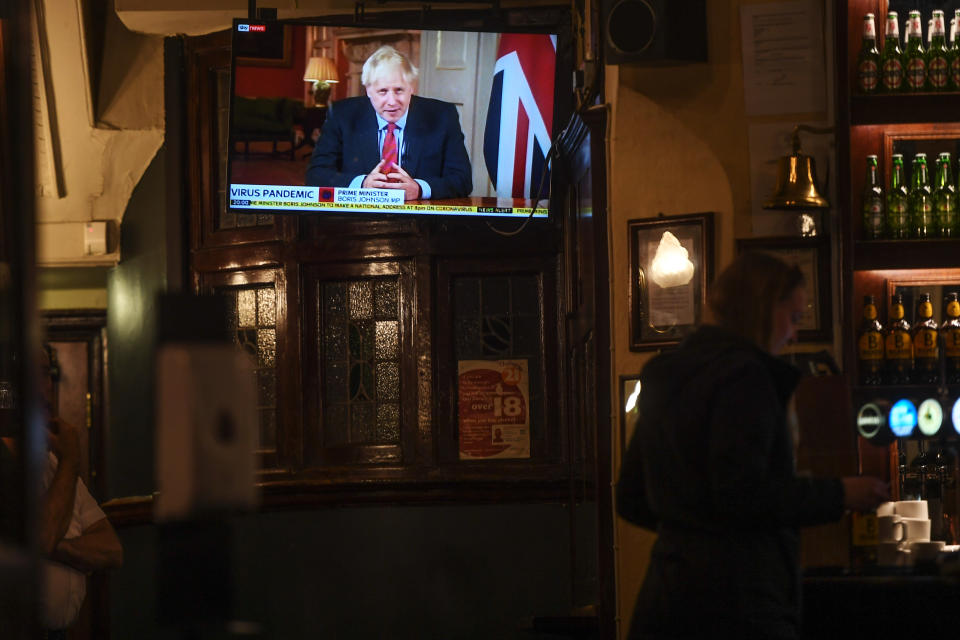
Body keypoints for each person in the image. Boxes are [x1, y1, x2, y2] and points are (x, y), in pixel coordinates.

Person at [616, 252, 888, 640]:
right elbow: (744, 494)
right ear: (763, 308)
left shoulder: (667, 373)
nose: (794, 334)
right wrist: (841, 492)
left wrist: (688, 533)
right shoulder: (747, 377)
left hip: (665, 598)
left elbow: (630, 498)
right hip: (740, 604)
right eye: (793, 318)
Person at [1, 345, 123, 636]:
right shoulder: (60, 461)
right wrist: (71, 459)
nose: (42, 386)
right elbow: (42, 538)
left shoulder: (51, 461)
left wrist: (51, 547)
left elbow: (112, 550)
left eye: (45, 373)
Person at [305, 45, 473, 201]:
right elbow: (316, 175)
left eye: (399, 90)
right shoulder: (342, 115)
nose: (392, 102)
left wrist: (420, 189)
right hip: (360, 218)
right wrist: (362, 184)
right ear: (368, 91)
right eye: (383, 91)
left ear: (411, 87)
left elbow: (462, 180)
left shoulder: (442, 116)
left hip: (421, 222)